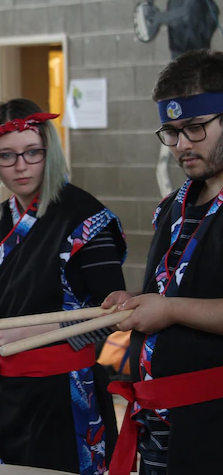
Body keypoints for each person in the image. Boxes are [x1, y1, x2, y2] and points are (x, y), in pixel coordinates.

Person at [0, 98, 126, 475]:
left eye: (32, 152)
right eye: (6, 156)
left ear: (50, 151)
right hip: (5, 394)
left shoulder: (85, 218)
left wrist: (37, 331)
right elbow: (1, 312)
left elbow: (114, 315)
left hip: (66, 393)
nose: (21, 166)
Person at [103, 49, 223, 475]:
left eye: (195, 127)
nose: (182, 145)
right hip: (158, 418)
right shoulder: (175, 205)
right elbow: (180, 292)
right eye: (171, 132)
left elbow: (176, 305)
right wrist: (138, 301)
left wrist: (168, 309)